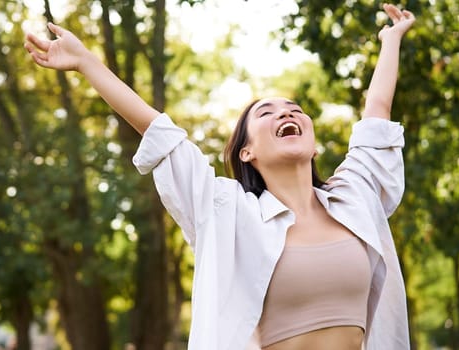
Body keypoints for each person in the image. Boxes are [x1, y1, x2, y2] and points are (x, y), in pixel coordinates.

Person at [25, 3, 415, 349]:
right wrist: (86, 63)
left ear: (314, 146)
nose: (287, 113)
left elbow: (377, 111)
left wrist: (391, 38)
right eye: (267, 112)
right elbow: (160, 133)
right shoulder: (229, 213)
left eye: (295, 109)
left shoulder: (354, 199)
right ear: (248, 152)